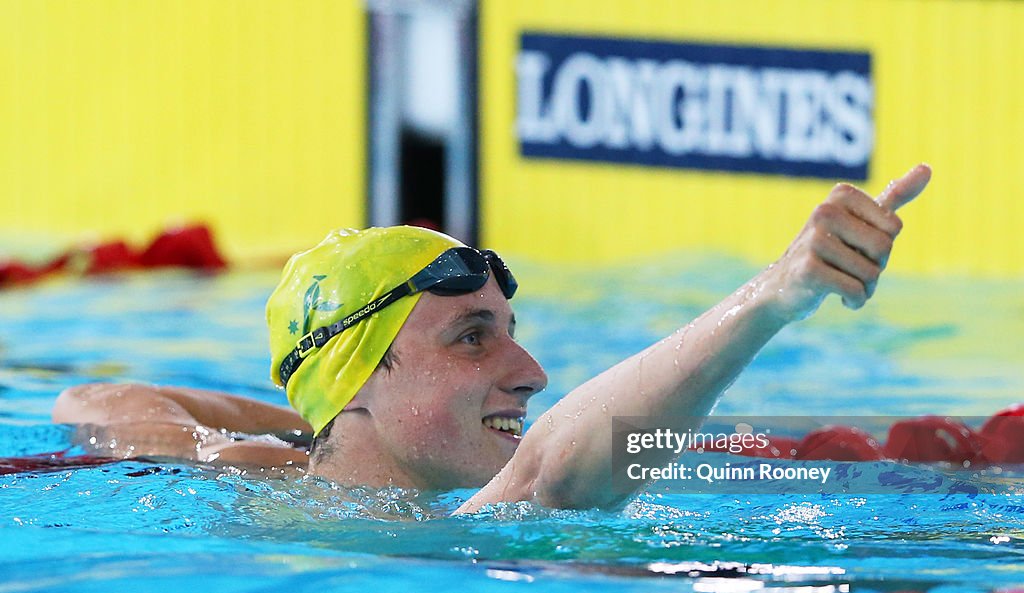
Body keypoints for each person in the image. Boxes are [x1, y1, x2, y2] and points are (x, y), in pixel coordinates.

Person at [53, 165, 932, 512]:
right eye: (474, 340)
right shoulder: (429, 535)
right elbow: (551, 471)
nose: (534, 372)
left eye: (513, 334)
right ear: (356, 376)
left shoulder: (233, 471)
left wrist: (309, 432)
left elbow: (88, 401)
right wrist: (776, 297)